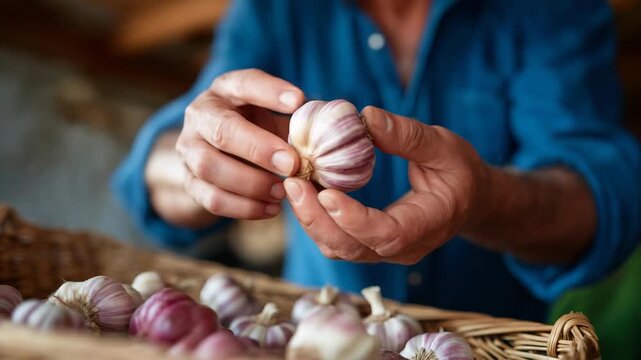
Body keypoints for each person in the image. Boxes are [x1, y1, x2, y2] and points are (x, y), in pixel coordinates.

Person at [112, 0, 641, 322]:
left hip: (494, 343)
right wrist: (192, 164)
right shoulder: (275, 8)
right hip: (321, 340)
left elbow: (607, 201)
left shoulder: (552, 7)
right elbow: (159, 167)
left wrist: (485, 198)